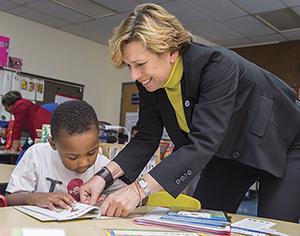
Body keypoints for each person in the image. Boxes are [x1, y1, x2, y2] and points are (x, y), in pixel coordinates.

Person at [80, 3, 300, 222]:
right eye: (129, 66)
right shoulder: (150, 83)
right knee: (205, 220)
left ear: (172, 52)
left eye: (140, 64)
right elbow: (146, 138)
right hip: (229, 152)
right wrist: (103, 177)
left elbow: (203, 141)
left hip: (285, 144)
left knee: (276, 225)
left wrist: (137, 190)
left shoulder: (216, 65)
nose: (134, 75)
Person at [6, 100, 125, 209]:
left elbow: (131, 194)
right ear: (53, 144)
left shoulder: (103, 166)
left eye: (91, 152)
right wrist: (35, 198)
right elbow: (10, 198)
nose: (84, 162)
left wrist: (106, 201)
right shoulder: (37, 155)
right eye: (73, 157)